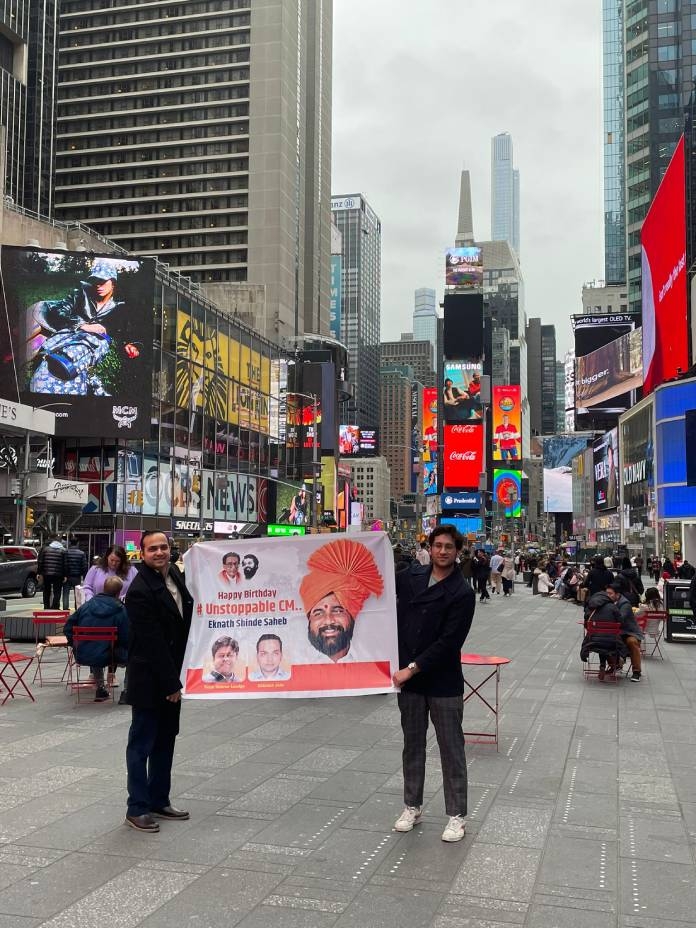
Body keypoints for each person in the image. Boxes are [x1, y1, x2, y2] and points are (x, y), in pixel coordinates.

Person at [392, 524, 475, 843]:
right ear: (429, 547)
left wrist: (412, 669)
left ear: (457, 551)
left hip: (442, 681)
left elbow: (449, 642)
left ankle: (457, 815)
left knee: (451, 748)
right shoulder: (410, 577)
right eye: (437, 545)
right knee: (412, 745)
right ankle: (411, 806)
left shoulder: (462, 592)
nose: (442, 551)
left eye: (449, 547)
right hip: (410, 683)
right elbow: (377, 583)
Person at [124, 531, 193, 833]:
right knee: (142, 744)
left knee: (166, 740)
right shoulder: (140, 590)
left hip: (173, 675)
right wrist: (170, 684)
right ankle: (137, 807)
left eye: (164, 547)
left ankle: (159, 799)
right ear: (142, 553)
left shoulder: (175, 574)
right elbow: (151, 643)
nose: (160, 552)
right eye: (153, 549)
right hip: (151, 680)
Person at [30, 259, 141, 397]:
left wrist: (130, 344)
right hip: (67, 338)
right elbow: (59, 311)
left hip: (89, 348)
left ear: (113, 283)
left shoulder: (119, 308)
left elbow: (124, 331)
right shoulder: (81, 294)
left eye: (103, 281)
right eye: (95, 280)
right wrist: (83, 325)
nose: (98, 285)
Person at [298, 538, 384, 663]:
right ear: (309, 620)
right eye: (318, 613)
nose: (329, 620)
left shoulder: (375, 657)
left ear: (352, 616)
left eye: (338, 611)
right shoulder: (293, 660)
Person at [64, 576, 129, 701]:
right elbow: (126, 636)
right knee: (133, 652)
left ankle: (100, 688)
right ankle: (127, 691)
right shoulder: (120, 609)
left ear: (104, 588)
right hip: (111, 655)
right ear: (119, 592)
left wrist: (76, 644)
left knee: (95, 646)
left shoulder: (86, 606)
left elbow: (68, 627)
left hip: (83, 653)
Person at [581, 588, 627, 680]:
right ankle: (613, 665)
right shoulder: (613, 607)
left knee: (600, 640)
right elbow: (621, 622)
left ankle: (602, 665)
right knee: (606, 640)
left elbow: (586, 623)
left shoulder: (591, 607)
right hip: (612, 642)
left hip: (593, 642)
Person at [606, 582, 644, 681]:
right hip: (617, 632)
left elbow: (620, 619)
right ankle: (614, 665)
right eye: (607, 593)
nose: (608, 595)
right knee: (604, 640)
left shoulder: (625, 604)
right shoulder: (607, 602)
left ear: (617, 594)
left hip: (629, 632)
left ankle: (636, 671)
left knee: (632, 642)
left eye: (610, 593)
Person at [37, 534, 67, 609]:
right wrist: (65, 575)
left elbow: (41, 562)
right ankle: (55, 606)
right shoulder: (63, 550)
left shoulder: (45, 549)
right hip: (58, 574)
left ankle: (46, 606)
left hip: (46, 573)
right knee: (57, 591)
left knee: (46, 590)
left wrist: (39, 573)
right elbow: (65, 564)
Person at [62, 537, 88, 611]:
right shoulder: (81, 553)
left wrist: (64, 575)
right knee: (77, 593)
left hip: (67, 576)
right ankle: (77, 608)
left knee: (65, 593)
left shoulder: (66, 552)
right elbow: (84, 566)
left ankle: (65, 609)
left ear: (70, 543)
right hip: (77, 577)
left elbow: (64, 564)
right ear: (77, 543)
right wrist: (84, 577)